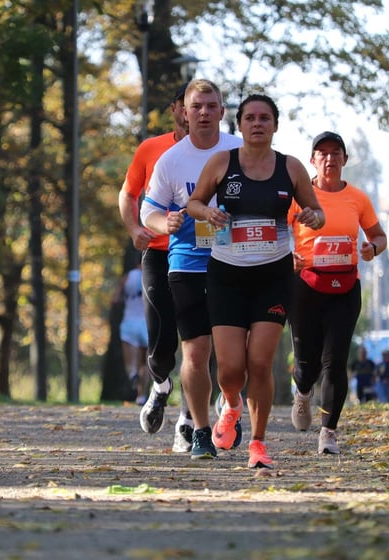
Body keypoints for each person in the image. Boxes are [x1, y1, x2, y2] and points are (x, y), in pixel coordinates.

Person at [186, 93, 324, 469]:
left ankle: (259, 444)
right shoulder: (221, 163)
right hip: (226, 276)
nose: (258, 124)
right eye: (250, 118)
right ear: (240, 125)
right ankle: (231, 405)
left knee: (260, 363)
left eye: (265, 118)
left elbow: (316, 210)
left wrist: (313, 216)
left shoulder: (291, 167)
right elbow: (193, 203)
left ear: (275, 126)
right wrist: (208, 212)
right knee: (231, 370)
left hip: (272, 276)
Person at [140, 78, 242, 459]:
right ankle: (199, 430)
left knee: (236, 359)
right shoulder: (171, 160)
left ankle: (230, 405)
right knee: (196, 354)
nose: (203, 113)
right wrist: (159, 224)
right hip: (188, 265)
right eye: (195, 106)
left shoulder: (239, 150)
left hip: (236, 263)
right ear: (184, 112)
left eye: (210, 106)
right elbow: (148, 209)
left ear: (221, 111)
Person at [287, 131, 387, 455]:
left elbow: (379, 235)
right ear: (313, 160)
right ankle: (302, 391)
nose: (330, 158)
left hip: (345, 286)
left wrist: (372, 248)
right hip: (306, 286)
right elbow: (278, 233)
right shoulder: (297, 196)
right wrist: (289, 254)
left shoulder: (357, 198)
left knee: (336, 361)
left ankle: (329, 431)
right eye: (323, 153)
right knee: (308, 363)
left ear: (345, 159)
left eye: (336, 153)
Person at [118, 83, 194, 452]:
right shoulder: (152, 148)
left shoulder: (225, 151)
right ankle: (161, 385)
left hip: (203, 255)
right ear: (176, 109)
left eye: (205, 105)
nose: (195, 112)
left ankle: (190, 421)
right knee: (160, 339)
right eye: (188, 105)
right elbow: (129, 193)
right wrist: (135, 229)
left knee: (199, 343)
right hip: (160, 250)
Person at [112, 259, 149, 405]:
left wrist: (124, 298)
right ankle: (141, 396)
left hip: (129, 323)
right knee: (145, 363)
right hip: (147, 323)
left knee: (131, 362)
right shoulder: (151, 274)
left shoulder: (127, 277)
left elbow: (114, 299)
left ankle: (133, 374)